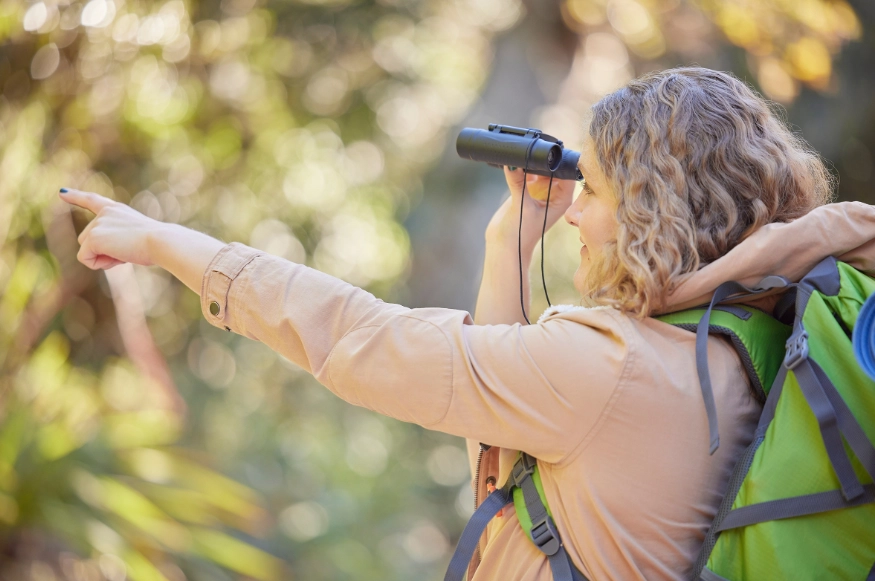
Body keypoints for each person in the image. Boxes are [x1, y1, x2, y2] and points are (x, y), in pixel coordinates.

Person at [59, 67, 875, 580]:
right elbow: (506, 431)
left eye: (593, 191)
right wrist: (508, 240)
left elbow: (363, 338)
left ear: (650, 214)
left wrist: (166, 242)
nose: (575, 215)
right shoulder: (758, 330)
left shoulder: (612, 365)